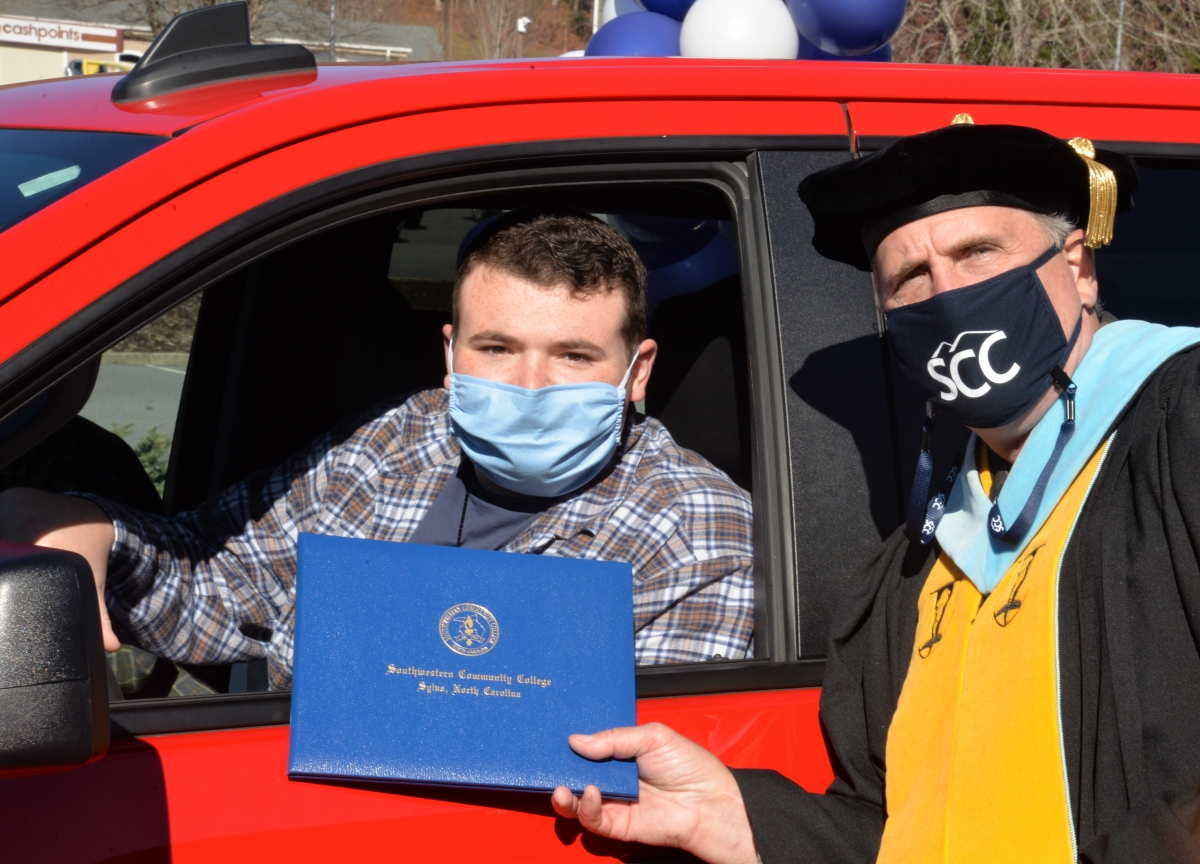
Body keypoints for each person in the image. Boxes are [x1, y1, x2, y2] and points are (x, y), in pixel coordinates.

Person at [552, 121, 1200, 863]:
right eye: (909, 279)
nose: (949, 295)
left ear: (1079, 269)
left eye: (978, 253)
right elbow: (897, 831)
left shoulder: (1179, 423)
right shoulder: (916, 569)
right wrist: (729, 815)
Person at [0, 210, 755, 688]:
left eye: (573, 356)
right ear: (452, 353)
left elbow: (648, 769)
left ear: (637, 371)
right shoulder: (399, 437)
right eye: (497, 348)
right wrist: (97, 531)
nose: (530, 386)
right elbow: (225, 585)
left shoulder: (699, 531)